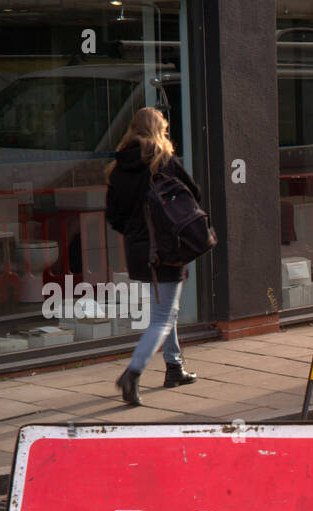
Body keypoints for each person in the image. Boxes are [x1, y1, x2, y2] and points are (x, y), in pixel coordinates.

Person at [105, 106, 200, 406]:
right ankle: (132, 374)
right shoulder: (164, 162)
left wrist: (135, 234)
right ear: (159, 130)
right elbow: (194, 194)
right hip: (167, 248)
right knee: (162, 317)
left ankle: (174, 368)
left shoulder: (118, 168)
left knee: (164, 310)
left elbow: (114, 216)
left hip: (138, 252)